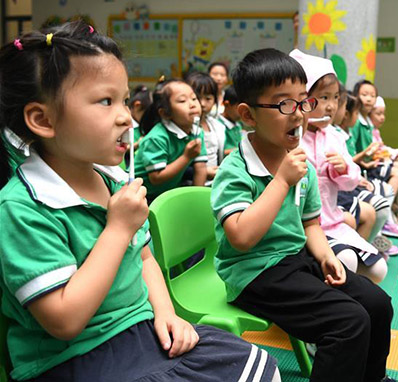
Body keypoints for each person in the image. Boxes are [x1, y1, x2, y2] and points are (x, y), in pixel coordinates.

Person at [0, 21, 280, 382]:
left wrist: (165, 312)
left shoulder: (111, 182)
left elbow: (144, 257)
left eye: (122, 99)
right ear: (42, 119)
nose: (126, 118)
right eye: (105, 101)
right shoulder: (22, 208)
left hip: (141, 329)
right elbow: (65, 320)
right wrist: (118, 229)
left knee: (258, 365)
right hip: (76, 359)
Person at [211, 48, 396, 382]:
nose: (297, 114)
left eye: (302, 101)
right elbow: (240, 239)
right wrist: (281, 180)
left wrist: (326, 255)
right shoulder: (235, 169)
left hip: (297, 259)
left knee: (378, 303)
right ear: (249, 115)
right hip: (253, 273)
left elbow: (311, 223)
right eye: (283, 104)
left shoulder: (300, 164)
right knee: (348, 321)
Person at [291, 49, 388, 283]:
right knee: (347, 261)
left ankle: (351, 300)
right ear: (302, 98)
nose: (331, 106)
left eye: (335, 98)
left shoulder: (334, 135)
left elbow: (351, 182)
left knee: (379, 270)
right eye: (323, 98)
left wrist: (344, 169)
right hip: (302, 226)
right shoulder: (292, 135)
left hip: (332, 219)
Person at [351, 80, 398, 236]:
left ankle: (392, 211)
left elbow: (377, 148)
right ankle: (388, 217)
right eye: (364, 95)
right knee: (397, 170)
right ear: (356, 96)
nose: (369, 99)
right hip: (363, 168)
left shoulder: (368, 123)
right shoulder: (356, 122)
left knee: (397, 165)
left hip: (368, 163)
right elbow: (355, 152)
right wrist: (365, 160)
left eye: (373, 95)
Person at [133, 79, 208, 202]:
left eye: (194, 98)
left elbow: (200, 167)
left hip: (168, 193)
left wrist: (196, 199)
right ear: (165, 113)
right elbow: (156, 178)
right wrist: (186, 157)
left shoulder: (197, 132)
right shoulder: (157, 138)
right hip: (143, 196)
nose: (192, 104)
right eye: (182, 101)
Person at [186, 72, 226, 183]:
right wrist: (203, 172)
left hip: (214, 183)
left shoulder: (218, 126)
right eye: (197, 98)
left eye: (208, 98)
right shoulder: (183, 127)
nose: (202, 104)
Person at [217, 85, 244, 156]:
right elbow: (221, 152)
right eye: (239, 109)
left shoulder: (238, 125)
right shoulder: (218, 126)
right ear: (227, 104)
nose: (244, 113)